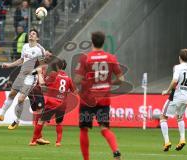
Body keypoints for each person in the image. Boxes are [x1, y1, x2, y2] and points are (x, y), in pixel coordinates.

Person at [74, 31, 124, 160]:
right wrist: (109, 82)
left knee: (84, 129)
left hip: (87, 99)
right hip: (104, 99)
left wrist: (83, 81)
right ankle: (116, 150)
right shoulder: (111, 58)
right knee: (104, 128)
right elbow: (121, 79)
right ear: (103, 42)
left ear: (92, 41)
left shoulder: (86, 58)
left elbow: (78, 80)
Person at [0, 28, 51, 130]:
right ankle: (1, 114)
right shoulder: (25, 46)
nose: (31, 35)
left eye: (34, 34)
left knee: (21, 99)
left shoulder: (40, 50)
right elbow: (21, 60)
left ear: (37, 38)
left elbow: (43, 65)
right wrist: (9, 65)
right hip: (21, 74)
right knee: (11, 94)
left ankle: (16, 121)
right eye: (30, 34)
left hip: (31, 77)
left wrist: (36, 72)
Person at [29, 59, 77, 147]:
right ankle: (58, 142)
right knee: (59, 123)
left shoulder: (53, 75)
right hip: (62, 104)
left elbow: (43, 84)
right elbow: (74, 92)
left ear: (57, 66)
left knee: (40, 121)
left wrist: (40, 73)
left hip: (52, 103)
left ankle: (33, 141)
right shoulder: (68, 79)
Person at [160, 49, 187, 152]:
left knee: (163, 117)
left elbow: (174, 81)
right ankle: (182, 139)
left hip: (176, 96)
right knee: (180, 117)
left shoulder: (177, 67)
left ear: (179, 57)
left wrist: (167, 91)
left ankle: (167, 142)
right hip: (185, 97)